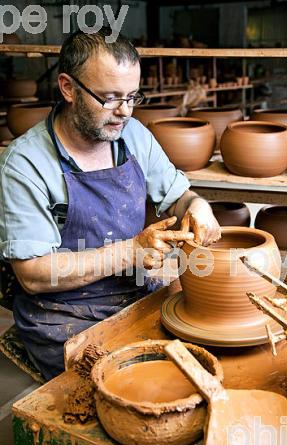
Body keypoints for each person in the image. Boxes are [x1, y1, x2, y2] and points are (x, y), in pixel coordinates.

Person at [0, 29, 220, 381]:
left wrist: (197, 206)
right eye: (110, 98)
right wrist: (130, 252)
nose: (124, 112)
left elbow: (180, 196)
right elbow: (33, 274)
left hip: (134, 292)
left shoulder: (133, 136)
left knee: (203, 356)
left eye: (132, 97)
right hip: (62, 313)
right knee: (140, 383)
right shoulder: (25, 164)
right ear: (68, 88)